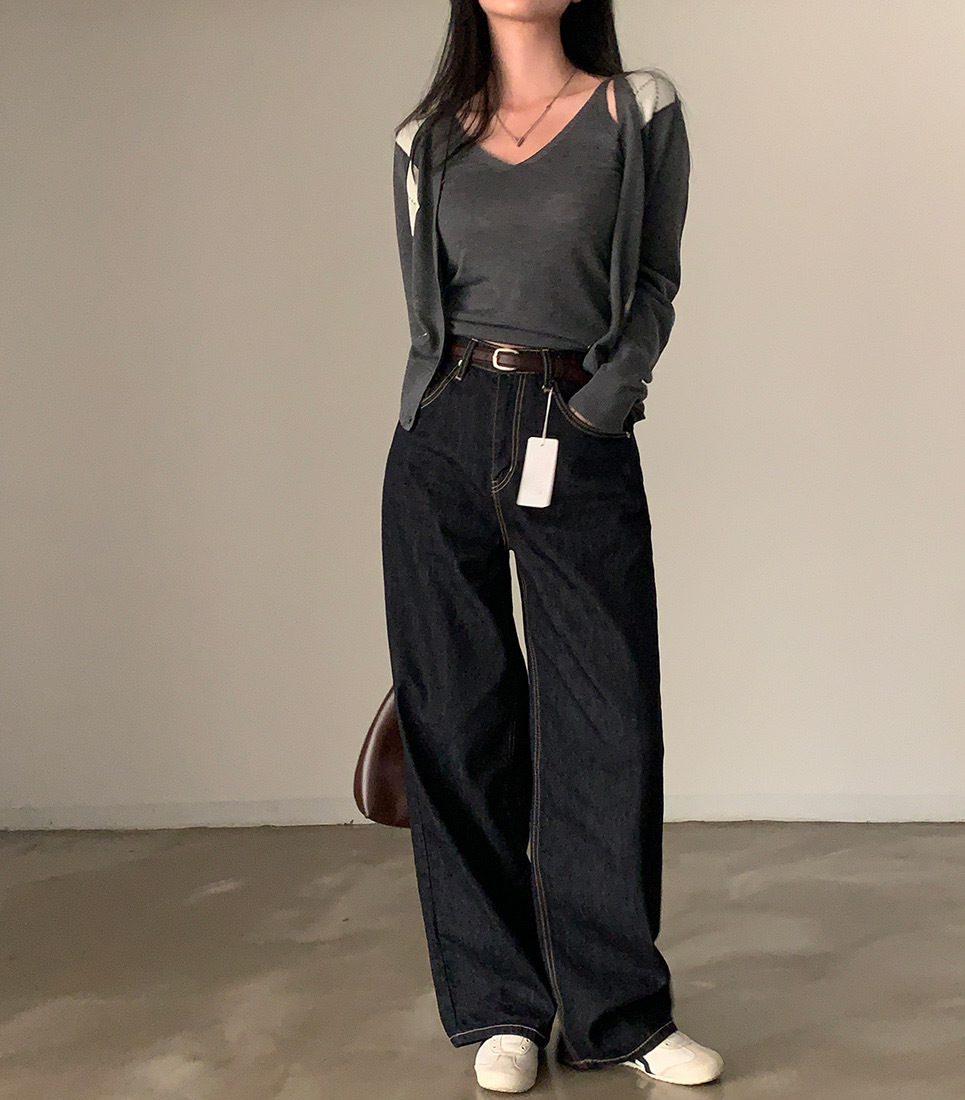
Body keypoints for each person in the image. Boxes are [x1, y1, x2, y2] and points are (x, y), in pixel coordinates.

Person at [381, 0, 720, 1091]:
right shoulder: (424, 137)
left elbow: (654, 279)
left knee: (605, 717)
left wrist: (602, 403)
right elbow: (425, 310)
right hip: (443, 438)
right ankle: (501, 1007)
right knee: (458, 720)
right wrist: (430, 421)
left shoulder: (637, 110)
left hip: (572, 427)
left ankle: (618, 1012)